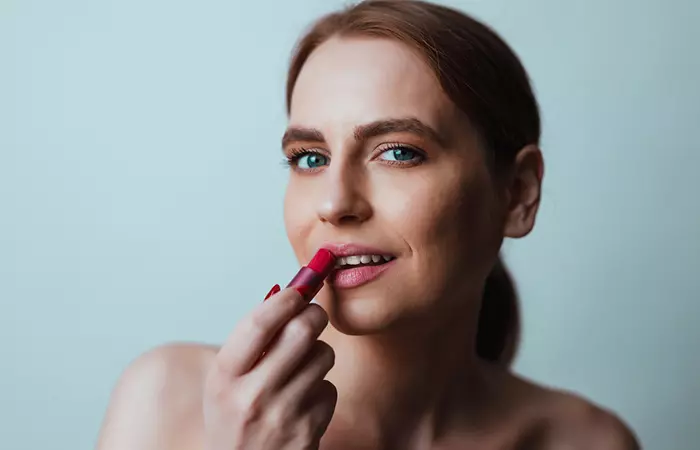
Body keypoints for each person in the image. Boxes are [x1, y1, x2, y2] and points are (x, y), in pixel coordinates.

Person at [96, 1, 640, 448]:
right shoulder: (168, 403)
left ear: (518, 194)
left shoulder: (585, 441)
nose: (334, 204)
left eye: (398, 152)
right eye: (310, 158)